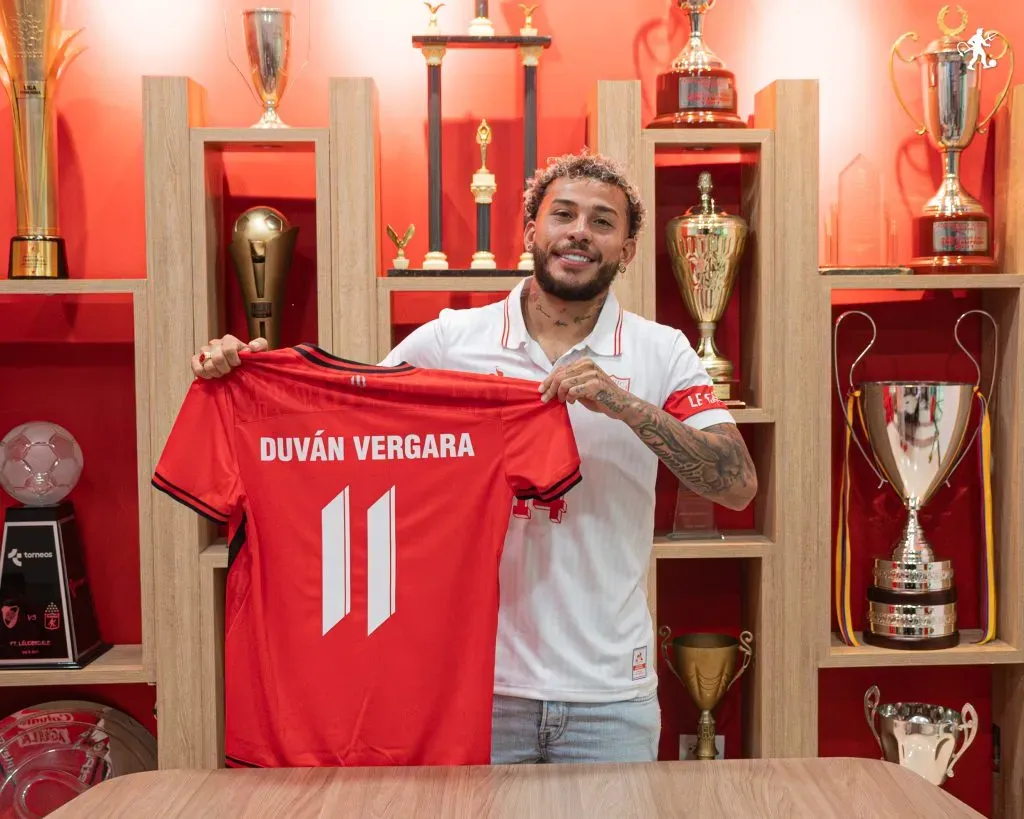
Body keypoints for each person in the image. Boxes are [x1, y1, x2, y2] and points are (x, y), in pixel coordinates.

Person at [190, 151, 758, 765]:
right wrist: (249, 373)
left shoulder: (662, 351)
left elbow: (737, 483)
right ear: (530, 230)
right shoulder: (451, 340)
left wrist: (626, 405)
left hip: (610, 697)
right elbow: (341, 428)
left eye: (602, 222)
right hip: (474, 691)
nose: (579, 232)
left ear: (628, 249)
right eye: (562, 214)